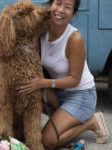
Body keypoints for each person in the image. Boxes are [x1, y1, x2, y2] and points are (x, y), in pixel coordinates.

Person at [17, 0, 109, 149]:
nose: (60, 10)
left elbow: (74, 80)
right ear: (49, 6)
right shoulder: (42, 30)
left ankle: (91, 123)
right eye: (58, 3)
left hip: (81, 95)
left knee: (47, 141)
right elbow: (33, 57)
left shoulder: (74, 38)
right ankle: (64, 119)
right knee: (28, 94)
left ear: (73, 14)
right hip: (59, 92)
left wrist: (43, 83)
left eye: (67, 7)